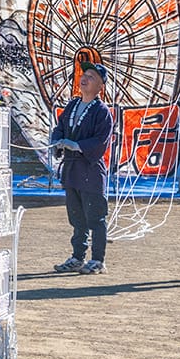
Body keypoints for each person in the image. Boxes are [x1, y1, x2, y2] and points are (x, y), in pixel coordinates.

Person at [49, 63, 114, 274]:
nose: (84, 79)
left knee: (95, 217)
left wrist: (76, 145)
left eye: (91, 77)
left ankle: (97, 259)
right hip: (72, 170)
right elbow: (59, 128)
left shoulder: (102, 111)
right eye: (84, 75)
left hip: (90, 171)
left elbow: (100, 141)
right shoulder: (72, 105)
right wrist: (58, 142)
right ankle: (77, 256)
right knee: (77, 218)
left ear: (100, 86)